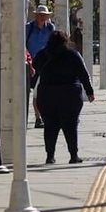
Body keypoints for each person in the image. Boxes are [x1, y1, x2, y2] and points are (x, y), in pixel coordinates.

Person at [34, 30, 93, 164]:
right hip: (70, 94)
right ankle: (73, 155)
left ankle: (50, 156)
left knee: (50, 126)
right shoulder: (73, 54)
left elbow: (35, 65)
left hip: (47, 94)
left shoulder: (43, 54)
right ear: (66, 41)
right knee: (71, 125)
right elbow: (83, 74)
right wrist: (89, 92)